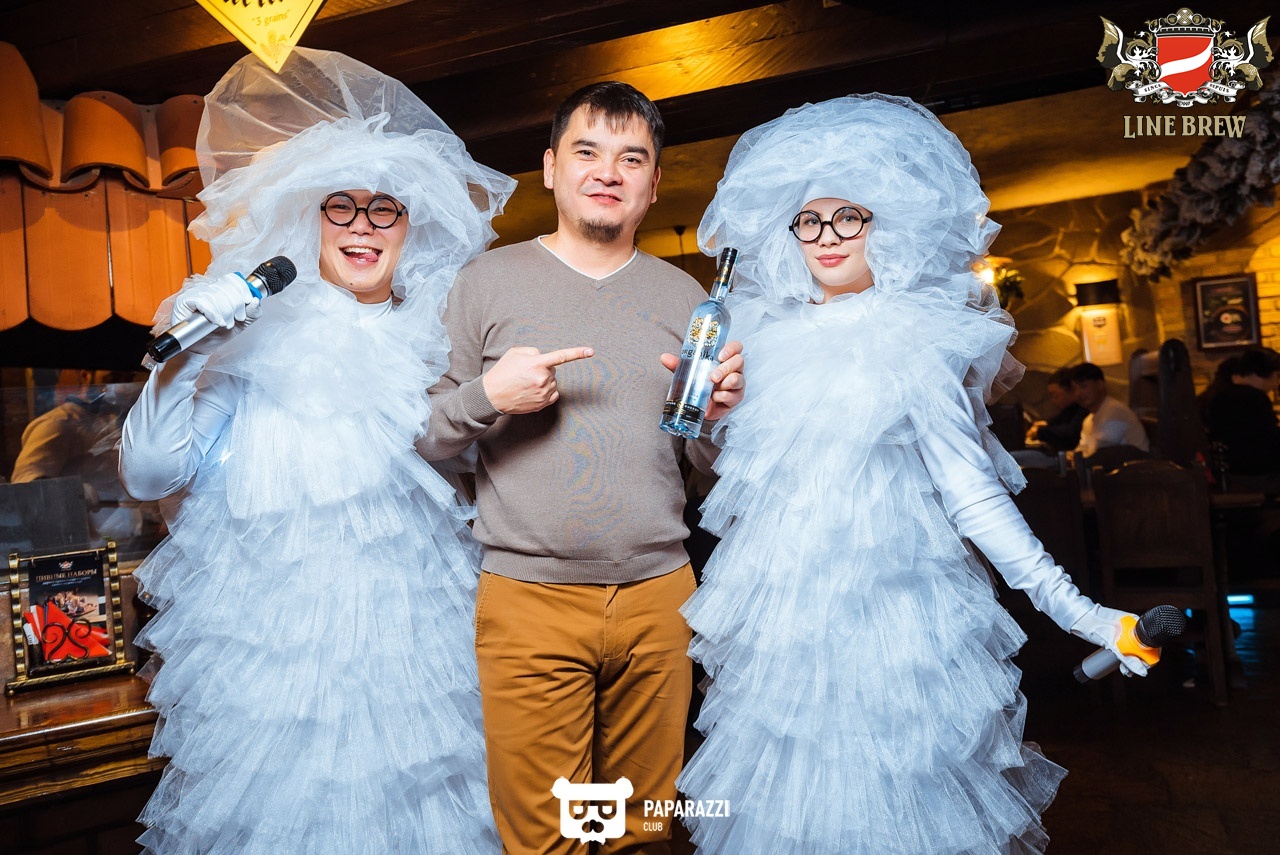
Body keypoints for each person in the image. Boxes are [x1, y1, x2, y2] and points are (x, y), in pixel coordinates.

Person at [676, 94, 1150, 854]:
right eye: (808, 220)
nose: (827, 237)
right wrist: (707, 420)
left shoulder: (916, 338)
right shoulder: (758, 339)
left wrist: (1082, 613)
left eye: (849, 217)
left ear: (886, 225)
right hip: (788, 641)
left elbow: (974, 495)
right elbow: (721, 479)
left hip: (894, 632)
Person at [118, 49, 514, 854]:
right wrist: (189, 357)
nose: (363, 225)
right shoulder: (251, 337)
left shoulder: (441, 348)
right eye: (342, 206)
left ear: (411, 228)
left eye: (385, 209)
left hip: (416, 671)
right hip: (280, 677)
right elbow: (152, 473)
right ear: (312, 219)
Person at [417, 81, 745, 854]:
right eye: (587, 151)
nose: (608, 171)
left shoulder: (685, 296)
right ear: (550, 167)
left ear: (653, 184)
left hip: (662, 597)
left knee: (642, 832)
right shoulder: (483, 282)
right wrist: (488, 396)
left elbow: (701, 463)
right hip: (528, 598)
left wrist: (715, 421)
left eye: (631, 158)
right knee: (546, 839)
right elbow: (426, 437)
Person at [11, 369, 148, 543]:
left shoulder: (115, 421)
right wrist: (71, 492)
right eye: (112, 378)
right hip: (89, 546)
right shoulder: (56, 424)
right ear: (85, 376)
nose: (121, 388)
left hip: (131, 542)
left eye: (127, 378)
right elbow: (24, 484)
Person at [1201, 346, 1280, 475]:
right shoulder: (1254, 397)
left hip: (1231, 469)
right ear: (1258, 373)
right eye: (1276, 376)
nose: (1276, 384)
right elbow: (1268, 439)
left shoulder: (1221, 394)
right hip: (1254, 471)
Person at [1070, 361, 1150, 458]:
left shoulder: (1114, 411)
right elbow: (1083, 449)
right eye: (1074, 389)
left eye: (1083, 386)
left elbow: (1101, 451)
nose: (1078, 394)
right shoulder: (1088, 420)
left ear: (1100, 384)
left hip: (1137, 465)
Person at [1025, 366, 1087, 452]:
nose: (1053, 400)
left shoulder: (1084, 407)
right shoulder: (1070, 408)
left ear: (1070, 390)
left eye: (1055, 395)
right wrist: (1041, 425)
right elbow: (1054, 421)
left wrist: (1039, 431)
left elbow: (1070, 432)